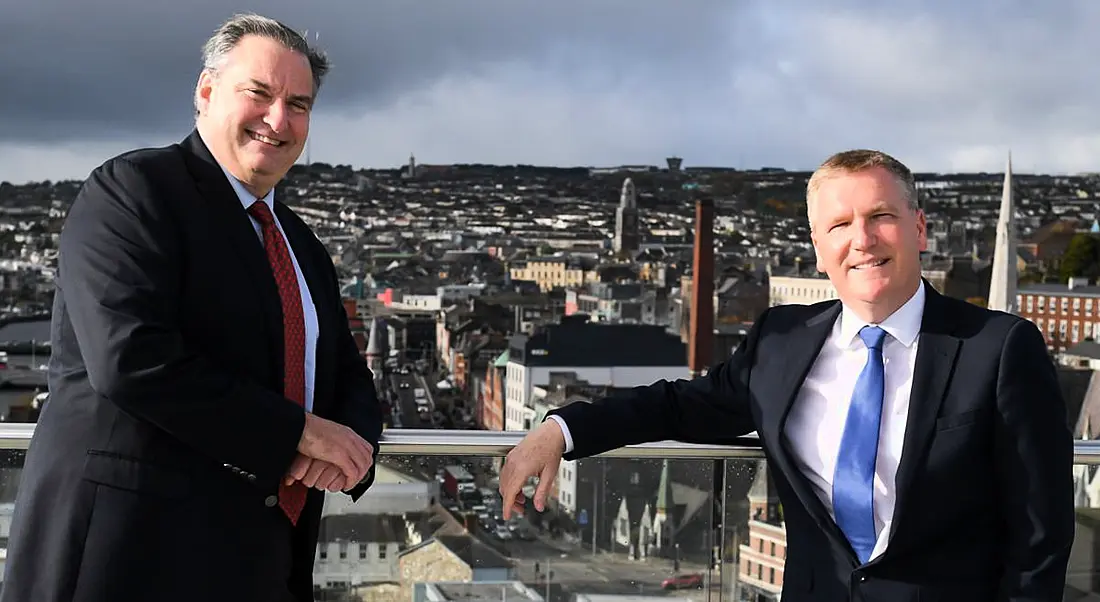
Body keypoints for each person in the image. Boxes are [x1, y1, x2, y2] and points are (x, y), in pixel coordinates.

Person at [500, 150, 1075, 602]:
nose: (863, 239)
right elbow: (679, 404)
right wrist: (561, 429)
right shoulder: (781, 341)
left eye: (882, 217)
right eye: (840, 225)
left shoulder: (998, 348)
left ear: (919, 229)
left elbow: (1040, 537)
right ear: (819, 249)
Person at [1, 14, 382, 602]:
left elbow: (344, 374)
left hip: (258, 556)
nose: (278, 120)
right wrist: (300, 435)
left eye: (298, 104)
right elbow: (131, 359)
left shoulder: (301, 245)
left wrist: (353, 448)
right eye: (259, 93)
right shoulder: (132, 190)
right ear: (206, 92)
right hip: (127, 553)